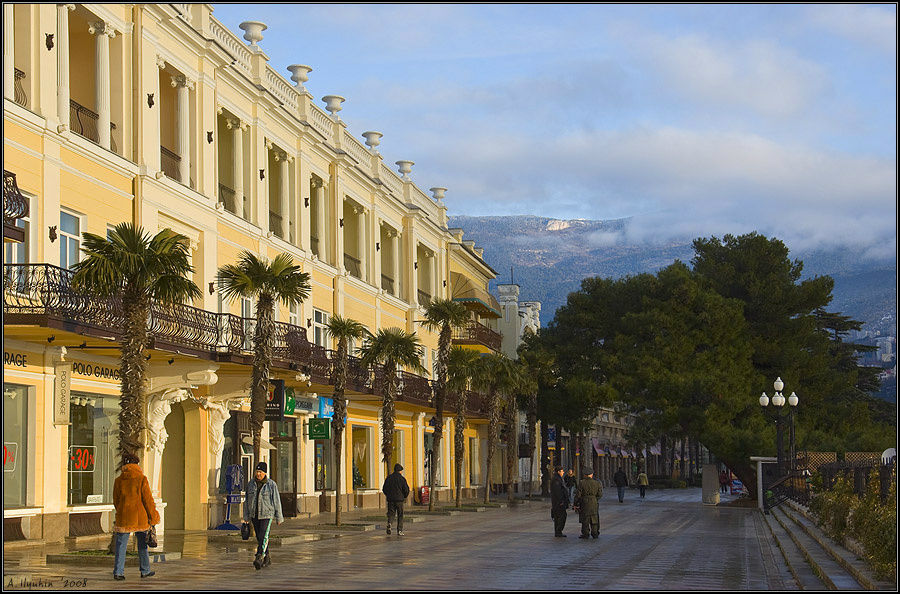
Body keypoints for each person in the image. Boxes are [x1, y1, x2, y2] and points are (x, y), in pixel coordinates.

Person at [112, 453, 160, 581]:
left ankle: (118, 572)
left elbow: (116, 500)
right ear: (137, 464)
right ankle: (145, 570)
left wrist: (121, 511)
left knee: (121, 545)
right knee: (142, 545)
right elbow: (148, 500)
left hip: (123, 517)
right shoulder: (141, 479)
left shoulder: (119, 481)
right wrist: (153, 516)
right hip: (140, 517)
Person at [242, 462, 284, 570]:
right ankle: (267, 557)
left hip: (266, 514)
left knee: (264, 535)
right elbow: (247, 501)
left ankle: (259, 557)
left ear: (265, 473)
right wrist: (246, 517)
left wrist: (279, 517)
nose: (258, 474)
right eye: (257, 471)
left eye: (260, 472)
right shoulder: (250, 484)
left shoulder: (271, 485)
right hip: (254, 515)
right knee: (260, 537)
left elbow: (276, 501)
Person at [573, 467, 602, 539]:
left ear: (585, 475)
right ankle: (595, 533)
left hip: (584, 502)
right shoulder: (597, 483)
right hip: (594, 502)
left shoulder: (582, 482)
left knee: (585, 518)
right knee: (594, 518)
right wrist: (595, 499)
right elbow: (600, 494)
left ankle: (585, 533)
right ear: (591, 474)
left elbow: (578, 495)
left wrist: (575, 503)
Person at [382, 463, 410, 536]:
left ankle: (389, 523)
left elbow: (384, 488)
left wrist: (388, 495)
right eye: (401, 471)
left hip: (390, 500)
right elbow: (406, 489)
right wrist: (404, 496)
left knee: (391, 513)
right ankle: (399, 530)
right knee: (400, 515)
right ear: (400, 471)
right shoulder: (402, 479)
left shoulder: (389, 478)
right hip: (399, 500)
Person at [549, 466, 570, 537]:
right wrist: (561, 501)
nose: (563, 472)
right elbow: (558, 492)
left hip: (559, 502)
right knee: (561, 516)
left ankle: (558, 532)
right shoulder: (556, 480)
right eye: (562, 471)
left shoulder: (558, 479)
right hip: (558, 503)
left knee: (559, 517)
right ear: (558, 472)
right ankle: (558, 531)